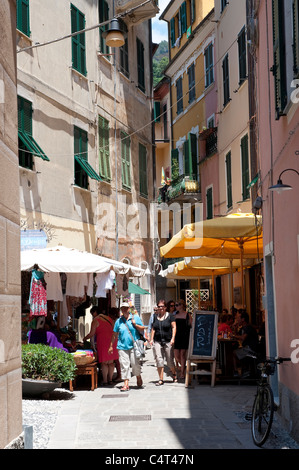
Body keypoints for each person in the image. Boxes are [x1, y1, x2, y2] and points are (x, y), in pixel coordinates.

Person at [108, 302, 145, 392]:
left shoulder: (135, 318)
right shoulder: (118, 321)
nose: (124, 309)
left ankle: (138, 376)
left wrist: (135, 325)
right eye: (122, 308)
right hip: (122, 346)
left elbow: (142, 328)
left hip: (134, 346)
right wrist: (111, 345)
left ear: (129, 309)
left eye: (125, 308)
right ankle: (126, 383)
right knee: (124, 365)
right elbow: (114, 334)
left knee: (135, 364)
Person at [83, 307, 119, 385]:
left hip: (103, 341)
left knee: (104, 362)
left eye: (92, 313)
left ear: (95, 312)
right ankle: (110, 379)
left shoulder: (95, 320)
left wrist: (85, 338)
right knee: (111, 362)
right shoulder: (109, 319)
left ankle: (105, 380)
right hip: (112, 341)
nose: (92, 315)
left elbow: (92, 333)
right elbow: (114, 330)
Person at [150, 299, 177, 385]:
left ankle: (174, 374)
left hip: (168, 341)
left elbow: (174, 327)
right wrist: (151, 339)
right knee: (159, 359)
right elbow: (153, 328)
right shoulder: (155, 317)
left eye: (162, 306)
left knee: (169, 361)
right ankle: (160, 379)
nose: (160, 308)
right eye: (159, 306)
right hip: (157, 341)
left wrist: (173, 338)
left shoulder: (170, 316)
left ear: (165, 307)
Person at [233, 311, 259, 376]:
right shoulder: (243, 328)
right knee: (234, 352)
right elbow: (237, 336)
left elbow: (242, 338)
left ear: (243, 319)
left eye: (238, 318)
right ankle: (245, 369)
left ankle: (237, 371)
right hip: (247, 348)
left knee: (233, 353)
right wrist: (235, 327)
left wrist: (233, 336)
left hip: (251, 349)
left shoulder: (248, 327)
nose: (237, 320)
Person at [173, 300, 192, 379]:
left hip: (184, 336)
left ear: (182, 305)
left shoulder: (187, 315)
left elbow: (191, 324)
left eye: (177, 305)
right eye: (175, 305)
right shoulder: (175, 315)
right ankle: (185, 367)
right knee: (176, 355)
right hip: (177, 336)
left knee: (182, 354)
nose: (176, 306)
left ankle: (182, 373)